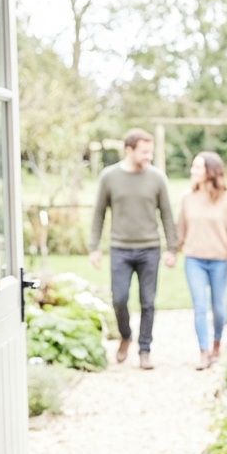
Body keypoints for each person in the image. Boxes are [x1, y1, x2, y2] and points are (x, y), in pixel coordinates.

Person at [89, 129, 177, 370]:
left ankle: (145, 350)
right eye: (144, 152)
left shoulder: (157, 178)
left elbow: (167, 215)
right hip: (120, 249)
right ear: (129, 150)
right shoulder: (109, 177)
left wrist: (171, 248)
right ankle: (125, 335)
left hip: (150, 249)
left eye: (150, 152)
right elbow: (98, 213)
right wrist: (94, 247)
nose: (149, 156)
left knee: (148, 302)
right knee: (119, 299)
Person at [177, 152, 227, 370]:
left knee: (218, 308)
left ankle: (217, 344)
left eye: (198, 167)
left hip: (219, 261)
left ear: (211, 171)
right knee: (199, 306)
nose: (193, 171)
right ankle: (203, 352)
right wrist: (171, 250)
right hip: (194, 260)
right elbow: (180, 230)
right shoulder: (187, 197)